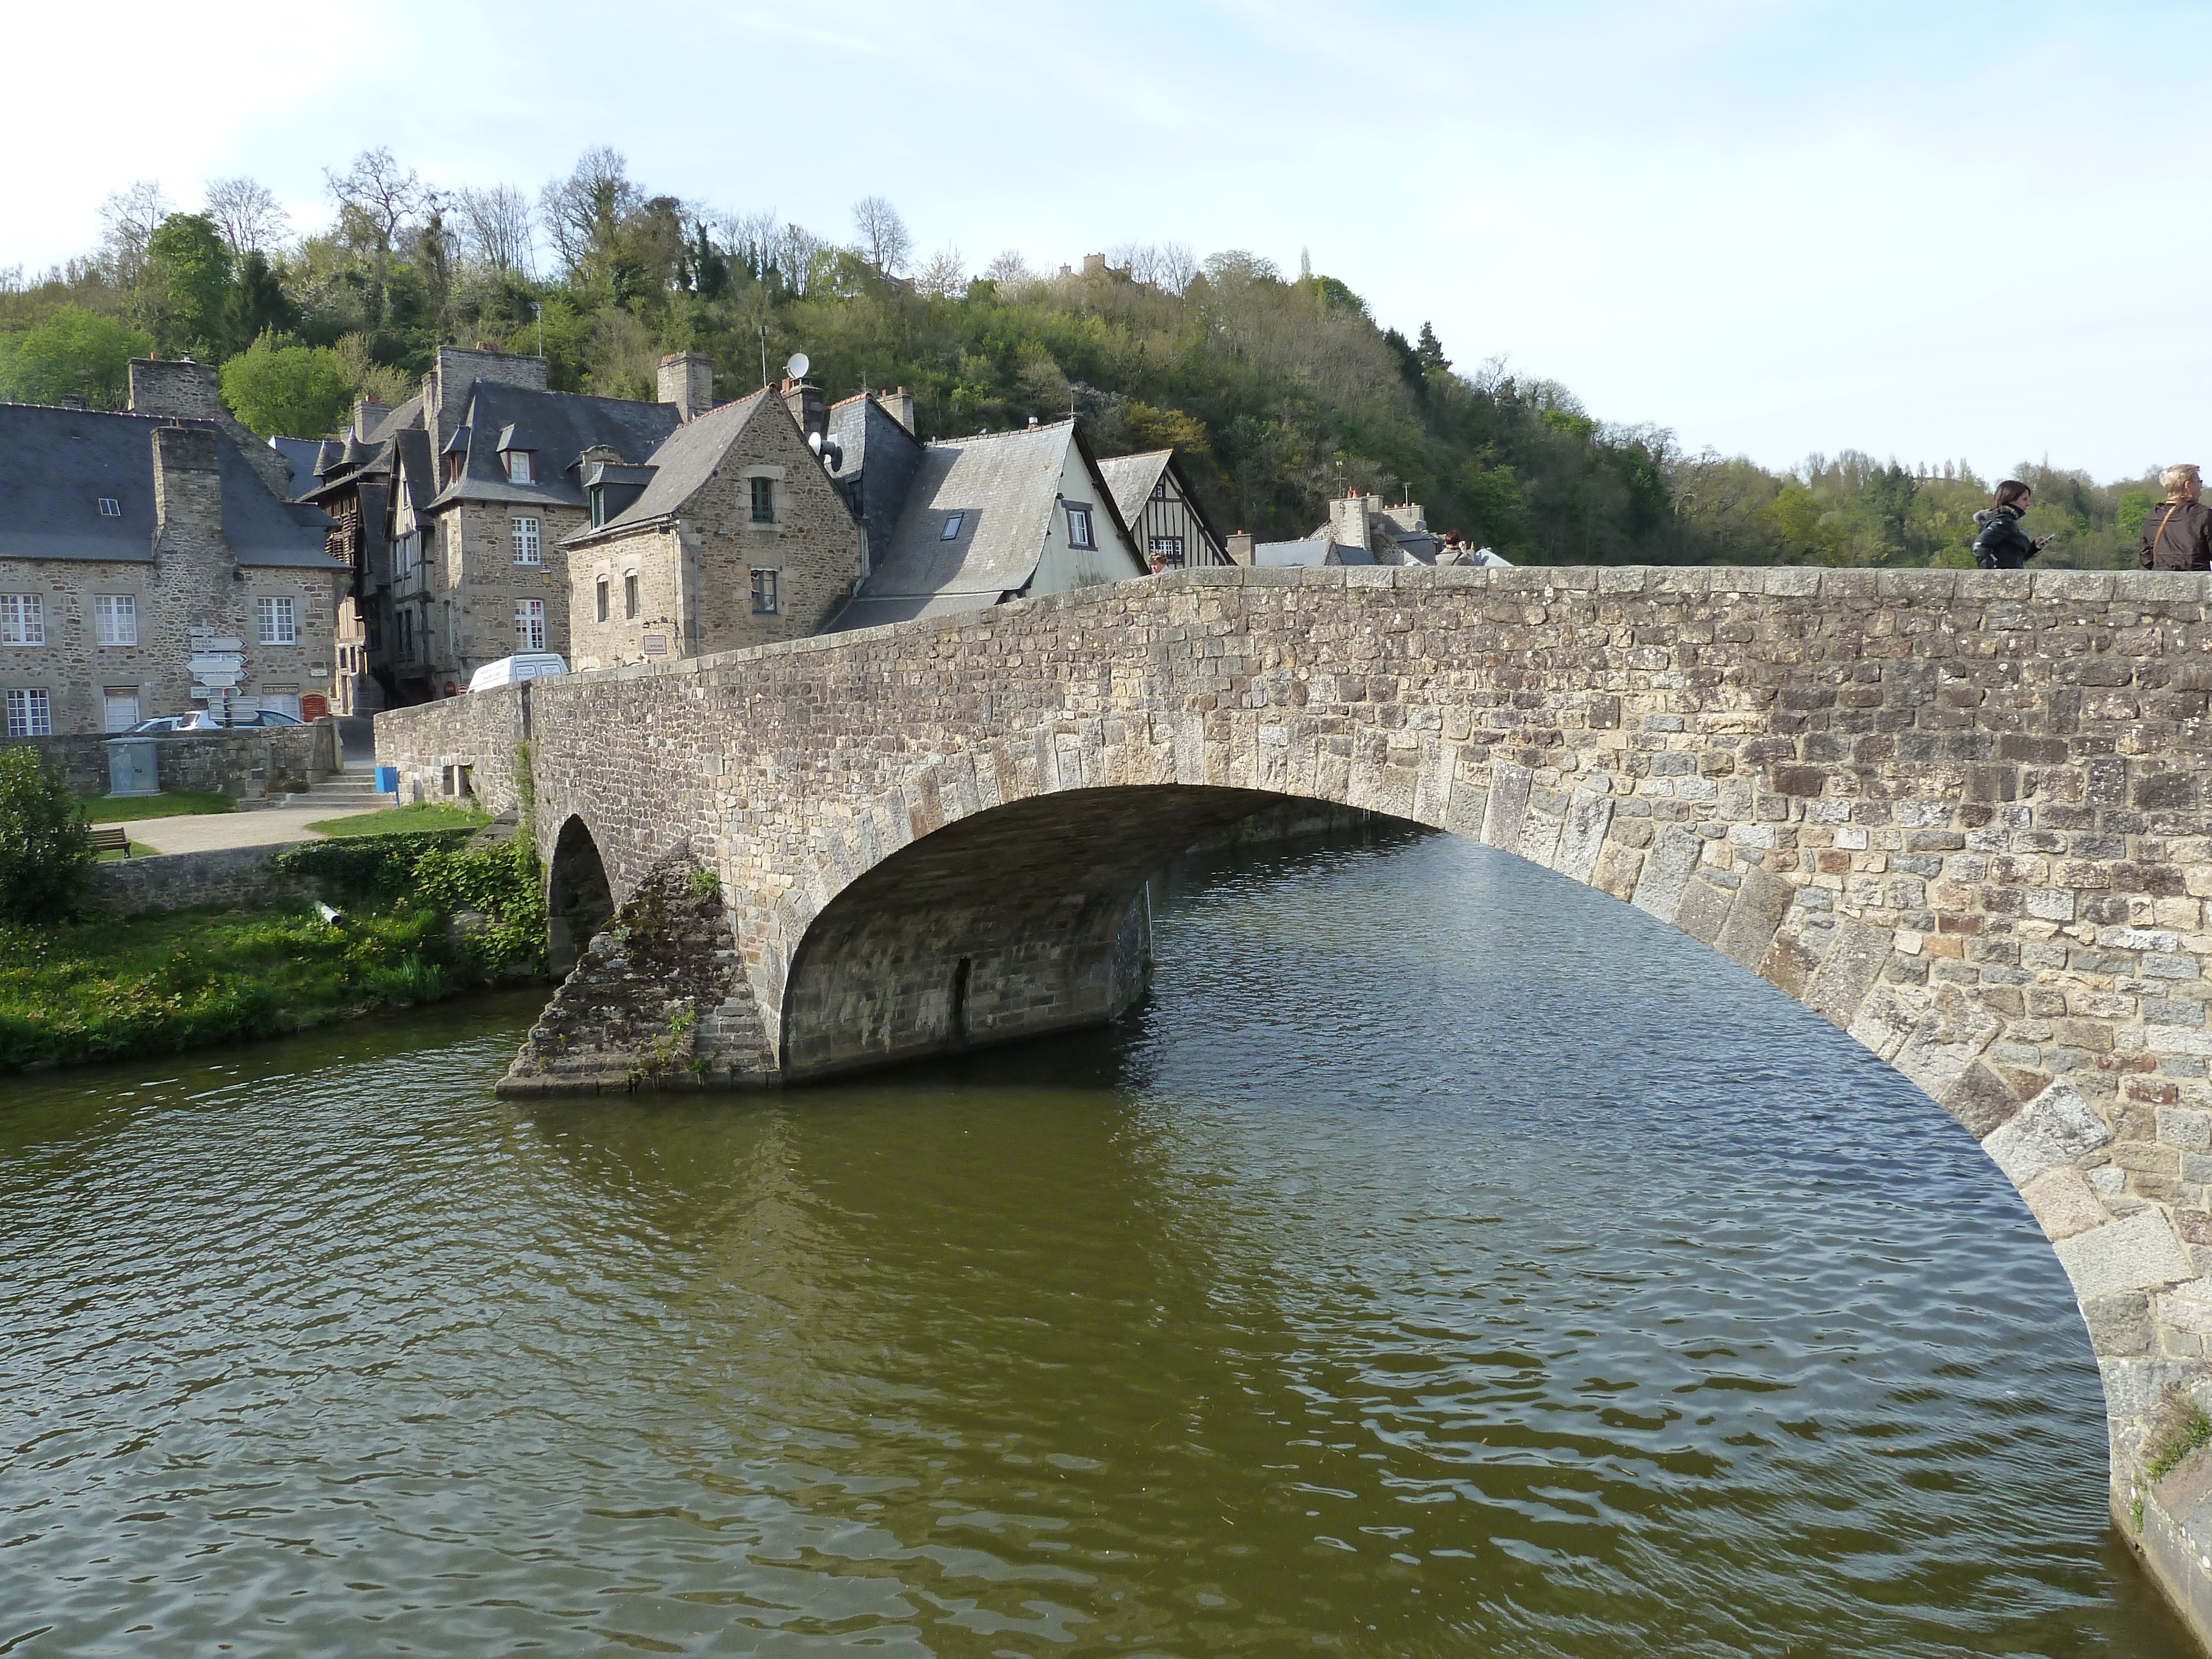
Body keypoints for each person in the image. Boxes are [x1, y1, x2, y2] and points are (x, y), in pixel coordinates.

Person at [2139, 463, 2212, 571]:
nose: (2201, 486)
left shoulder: (2152, 517)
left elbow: (2146, 558)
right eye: (2199, 482)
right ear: (2188, 485)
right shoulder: (2204, 514)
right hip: (2196, 581)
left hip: (2160, 580)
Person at [1970, 480, 2053, 570]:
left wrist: (2034, 547)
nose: (2028, 504)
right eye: (2024, 499)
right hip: (2003, 580)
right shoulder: (2004, 522)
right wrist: (1990, 574)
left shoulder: (2004, 521)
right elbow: (1979, 546)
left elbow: (2011, 559)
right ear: (2011, 499)